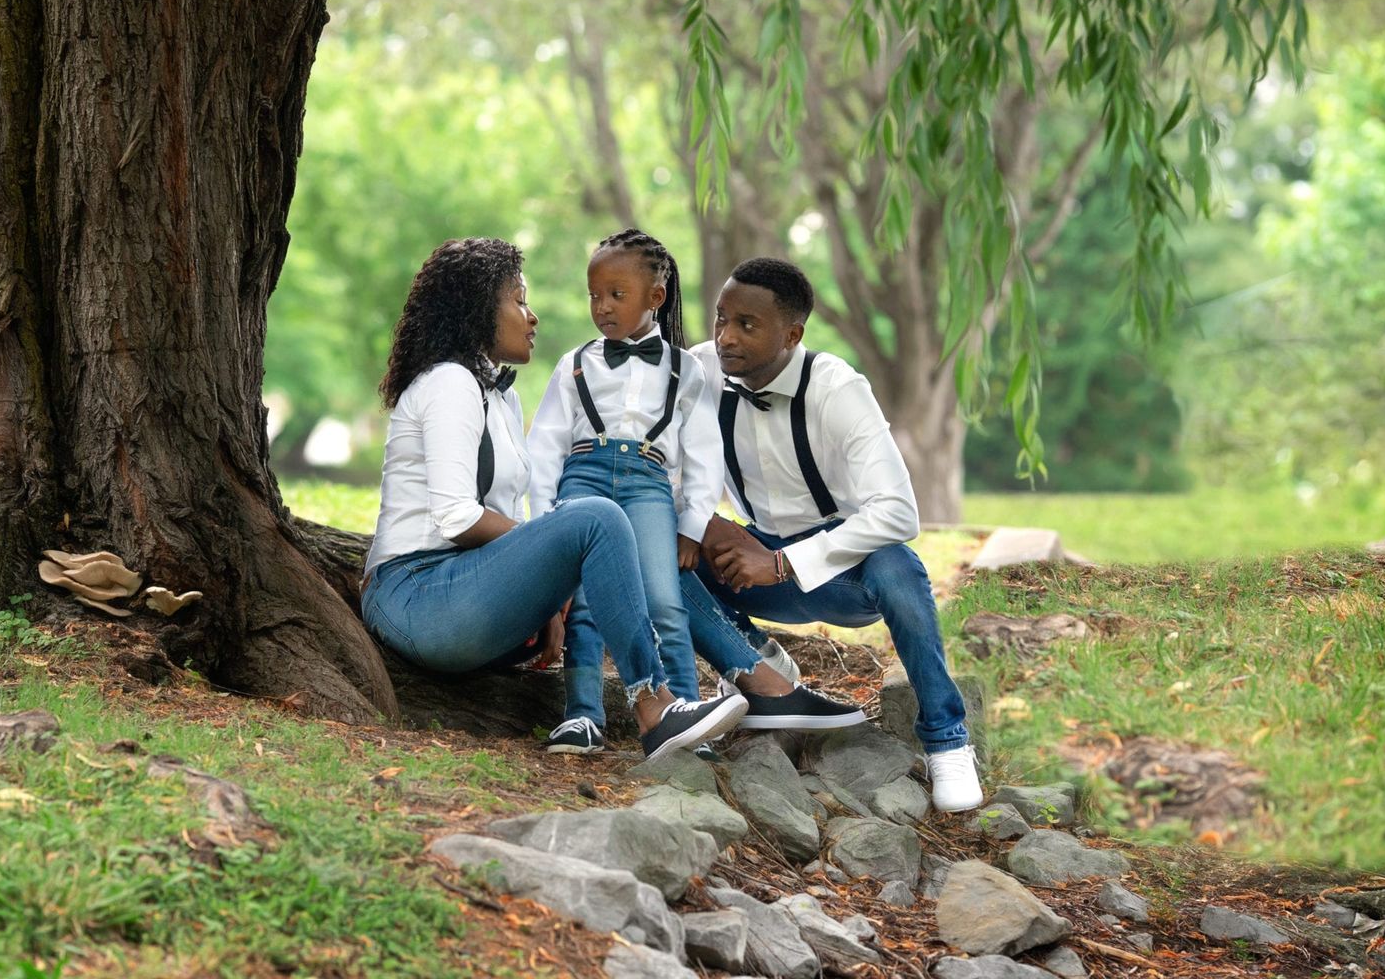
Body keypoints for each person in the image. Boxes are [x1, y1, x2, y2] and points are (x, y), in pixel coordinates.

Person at [362, 237, 749, 761]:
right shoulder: (450, 383)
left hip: (467, 591)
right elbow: (457, 516)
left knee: (649, 575)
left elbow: (509, 524)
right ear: (479, 309)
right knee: (595, 515)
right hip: (419, 594)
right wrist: (551, 561)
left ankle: (677, 697)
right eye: (519, 300)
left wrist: (542, 594)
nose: (533, 315)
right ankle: (654, 706)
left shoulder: (502, 395)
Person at [528, 229, 867, 753]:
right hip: (585, 475)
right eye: (595, 295)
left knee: (666, 599)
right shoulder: (575, 365)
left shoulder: (687, 370)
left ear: (656, 298)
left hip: (649, 486)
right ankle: (582, 714)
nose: (602, 307)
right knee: (587, 600)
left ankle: (687, 715)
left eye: (617, 295)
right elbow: (546, 445)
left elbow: (704, 456)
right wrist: (545, 515)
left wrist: (690, 526)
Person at [688, 256, 985, 812]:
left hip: (843, 571)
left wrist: (782, 563)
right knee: (664, 549)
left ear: (792, 334)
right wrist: (708, 524)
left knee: (897, 566)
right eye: (720, 318)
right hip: (750, 553)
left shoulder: (838, 388)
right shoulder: (699, 371)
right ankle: (759, 667)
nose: (726, 336)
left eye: (746, 325)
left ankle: (948, 739)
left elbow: (899, 511)